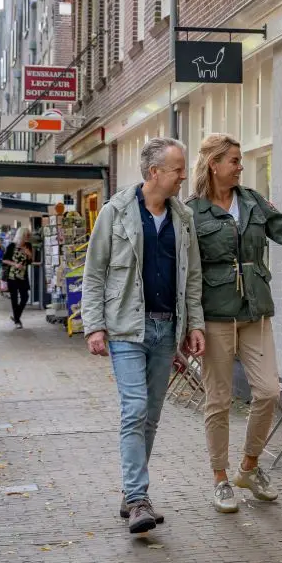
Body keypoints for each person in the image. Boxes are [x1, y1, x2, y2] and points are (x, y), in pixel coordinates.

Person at [187, 133, 282, 513]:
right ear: (215, 164)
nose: (241, 167)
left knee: (269, 392)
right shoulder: (192, 212)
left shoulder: (253, 201)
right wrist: (189, 323)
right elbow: (187, 272)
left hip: (255, 312)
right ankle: (221, 479)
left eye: (240, 161)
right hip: (215, 316)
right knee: (219, 401)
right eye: (235, 161)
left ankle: (249, 467)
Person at [81, 138, 206, 535]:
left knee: (150, 416)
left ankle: (131, 491)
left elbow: (192, 277)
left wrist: (195, 324)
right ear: (155, 172)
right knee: (134, 409)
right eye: (177, 169)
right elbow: (95, 270)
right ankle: (138, 499)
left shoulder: (182, 218)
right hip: (124, 326)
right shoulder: (115, 212)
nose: (184, 176)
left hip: (166, 327)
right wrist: (94, 325)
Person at [3, 229, 36, 329]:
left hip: (23, 276)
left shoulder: (28, 246)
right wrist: (15, 264)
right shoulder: (11, 246)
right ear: (21, 236)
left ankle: (16, 315)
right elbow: (4, 260)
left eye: (28, 236)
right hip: (12, 276)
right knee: (14, 298)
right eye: (26, 236)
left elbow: (31, 261)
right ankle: (17, 321)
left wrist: (29, 253)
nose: (27, 238)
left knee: (25, 296)